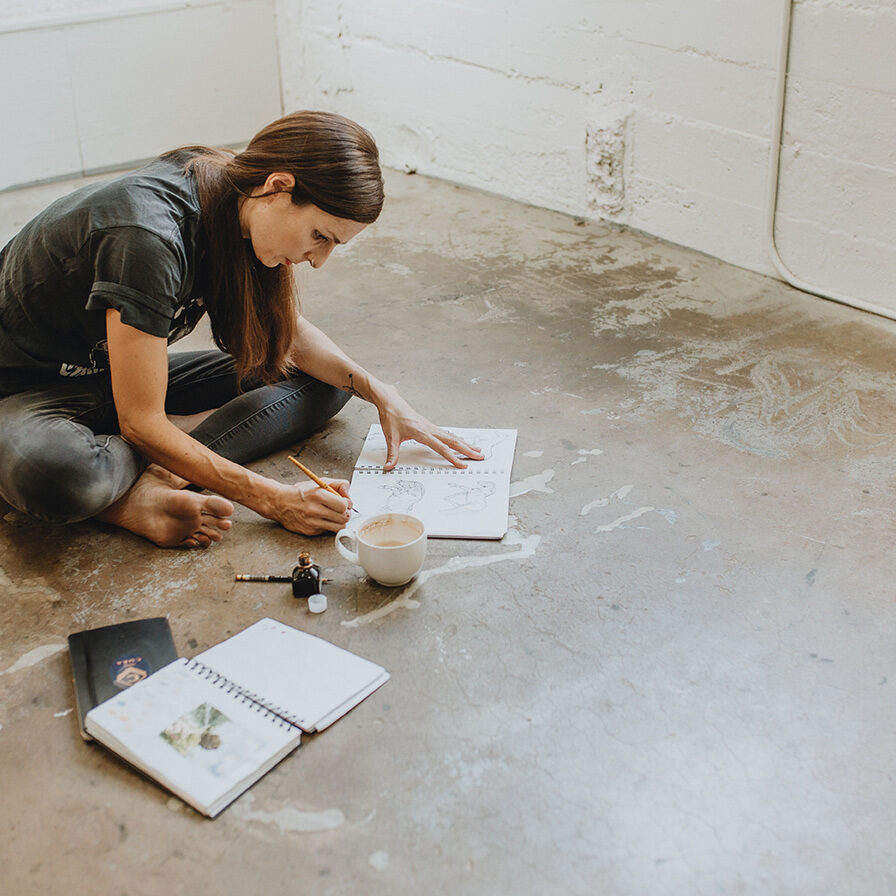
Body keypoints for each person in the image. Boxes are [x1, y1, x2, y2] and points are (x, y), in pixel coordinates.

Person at [0, 111, 482, 548]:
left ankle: (164, 462)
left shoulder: (235, 196)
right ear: (278, 186)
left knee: (327, 383)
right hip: (24, 391)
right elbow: (138, 421)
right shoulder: (147, 237)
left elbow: (286, 335)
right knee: (59, 476)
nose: (318, 260)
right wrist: (272, 499)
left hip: (111, 371)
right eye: (320, 236)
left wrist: (382, 394)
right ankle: (129, 499)